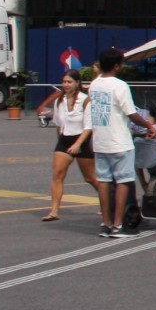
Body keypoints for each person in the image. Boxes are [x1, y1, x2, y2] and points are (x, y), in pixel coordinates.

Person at [68, 48, 156, 238]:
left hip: (100, 140)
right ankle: (118, 225)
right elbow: (131, 113)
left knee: (103, 181)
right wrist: (149, 126)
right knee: (123, 181)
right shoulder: (120, 85)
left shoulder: (94, 85)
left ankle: (106, 222)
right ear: (117, 65)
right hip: (119, 140)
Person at [40, 71, 103, 223]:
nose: (66, 85)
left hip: (82, 140)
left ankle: (106, 202)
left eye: (69, 82)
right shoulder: (59, 100)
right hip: (65, 139)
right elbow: (58, 123)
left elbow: (89, 127)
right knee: (57, 175)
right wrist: (60, 142)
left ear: (77, 83)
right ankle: (54, 210)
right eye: (64, 82)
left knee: (89, 177)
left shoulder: (85, 100)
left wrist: (77, 144)